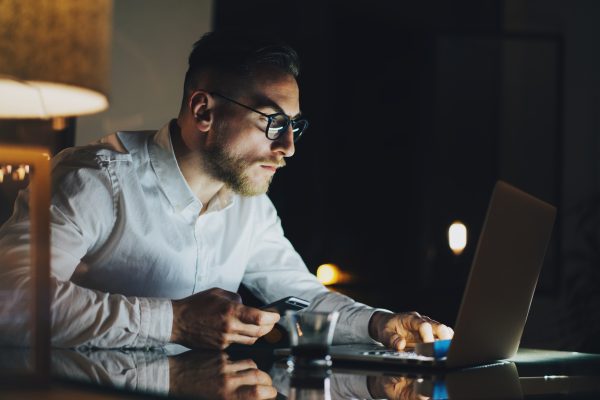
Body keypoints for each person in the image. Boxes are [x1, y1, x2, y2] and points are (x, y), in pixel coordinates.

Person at [0, 31, 453, 350]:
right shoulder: (92, 178)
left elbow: (303, 298)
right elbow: (11, 299)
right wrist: (174, 322)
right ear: (203, 111)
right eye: (273, 122)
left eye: (294, 125)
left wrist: (380, 324)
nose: (289, 147)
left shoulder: (251, 207)